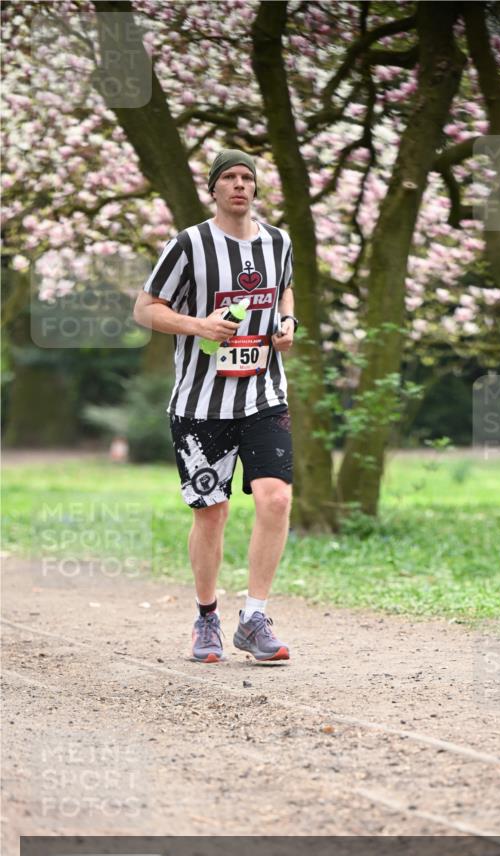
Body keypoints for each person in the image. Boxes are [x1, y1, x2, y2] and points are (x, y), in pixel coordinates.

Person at [133, 150, 298, 664]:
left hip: (263, 394)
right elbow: (145, 309)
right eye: (229, 177)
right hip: (201, 404)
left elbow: (285, 289)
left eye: (247, 177)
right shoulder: (188, 245)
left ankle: (254, 618)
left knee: (275, 499)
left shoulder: (278, 241)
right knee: (212, 512)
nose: (240, 185)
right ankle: (207, 618)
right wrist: (199, 325)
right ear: (214, 188)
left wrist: (289, 323)